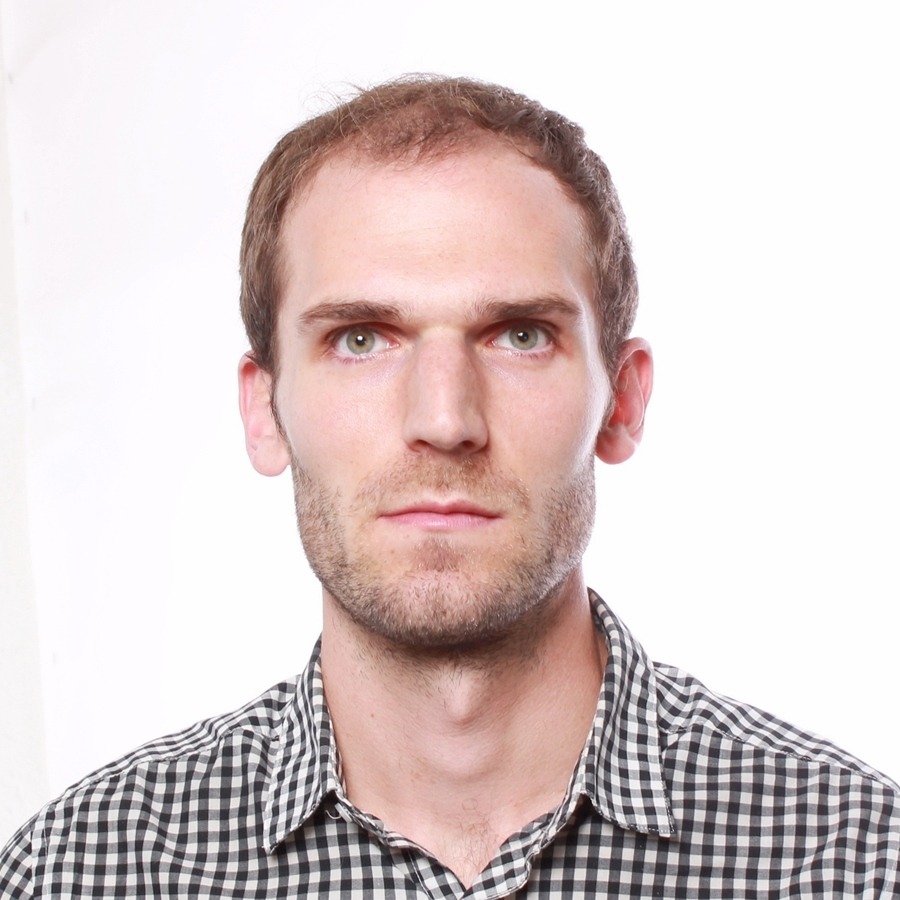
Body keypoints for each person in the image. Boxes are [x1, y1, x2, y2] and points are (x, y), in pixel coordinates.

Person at [1, 75, 897, 899]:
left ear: (622, 402)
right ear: (263, 412)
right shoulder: (81, 871)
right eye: (360, 339)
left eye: (520, 335)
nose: (443, 419)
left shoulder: (856, 860)